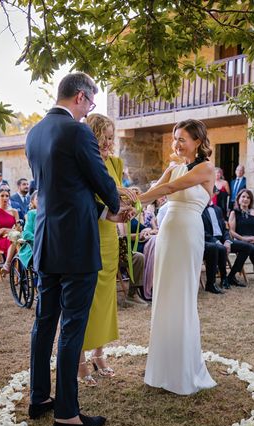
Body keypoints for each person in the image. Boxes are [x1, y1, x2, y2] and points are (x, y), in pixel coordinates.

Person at [26, 72, 130, 426]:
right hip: (76, 248)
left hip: (46, 242)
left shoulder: (35, 133)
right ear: (81, 97)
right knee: (72, 327)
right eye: (91, 103)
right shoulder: (78, 131)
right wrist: (117, 204)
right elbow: (100, 180)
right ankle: (67, 414)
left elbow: (64, 190)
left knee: (43, 323)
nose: (91, 111)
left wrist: (104, 212)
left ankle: (39, 397)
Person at [138, 118, 217, 395]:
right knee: (165, 295)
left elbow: (170, 189)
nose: (177, 143)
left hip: (187, 232)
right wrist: (128, 201)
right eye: (175, 138)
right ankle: (162, 369)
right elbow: (152, 194)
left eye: (182, 138)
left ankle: (183, 370)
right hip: (168, 233)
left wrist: (137, 199)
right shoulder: (172, 167)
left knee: (182, 296)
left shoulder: (207, 168)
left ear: (197, 140)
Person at [76, 113, 141, 387]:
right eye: (102, 137)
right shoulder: (83, 163)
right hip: (88, 235)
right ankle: (79, 360)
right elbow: (86, 200)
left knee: (106, 298)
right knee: (85, 300)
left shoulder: (116, 162)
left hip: (110, 238)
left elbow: (117, 197)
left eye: (111, 137)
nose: (107, 143)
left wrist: (128, 204)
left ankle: (100, 353)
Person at [202, 200, 250, 293]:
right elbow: (203, 232)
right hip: (209, 240)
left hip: (223, 239)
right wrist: (217, 242)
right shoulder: (199, 209)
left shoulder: (218, 209)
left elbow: (225, 229)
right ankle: (223, 279)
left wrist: (227, 240)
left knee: (246, 247)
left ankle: (231, 276)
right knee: (221, 248)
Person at [0, 188, 20, 269]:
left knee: (16, 239)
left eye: (7, 196)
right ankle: (7, 264)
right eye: (2, 196)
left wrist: (3, 230)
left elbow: (18, 229)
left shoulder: (14, 211)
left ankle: (14, 266)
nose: (5, 198)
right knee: (14, 240)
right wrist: (4, 230)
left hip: (14, 237)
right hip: (0, 240)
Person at [18, 191, 38, 269]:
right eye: (38, 199)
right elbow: (26, 233)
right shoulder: (32, 213)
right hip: (34, 246)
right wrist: (39, 240)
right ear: (32, 202)